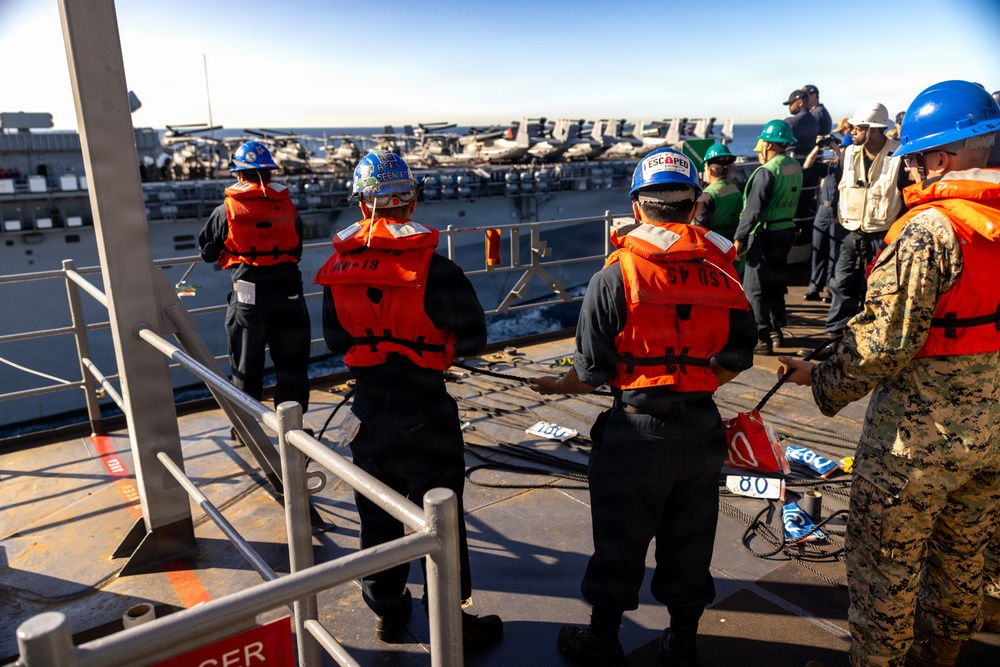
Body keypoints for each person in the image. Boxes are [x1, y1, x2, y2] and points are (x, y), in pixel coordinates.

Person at [778, 80, 1000, 667]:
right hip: (993, 431)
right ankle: (942, 651)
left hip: (917, 443)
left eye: (917, 159)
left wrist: (820, 379)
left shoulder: (931, 232)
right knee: (965, 551)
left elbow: (881, 346)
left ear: (939, 159)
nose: (911, 171)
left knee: (886, 562)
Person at [528, 147, 756, 667]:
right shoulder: (725, 272)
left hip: (634, 434)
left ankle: (603, 641)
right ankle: (683, 643)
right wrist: (699, 384)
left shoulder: (615, 277)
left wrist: (554, 386)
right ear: (694, 206)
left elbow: (590, 373)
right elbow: (740, 354)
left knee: (619, 541)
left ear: (637, 207)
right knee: (691, 541)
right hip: (701, 429)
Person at [314, 150, 503, 648]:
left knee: (377, 517)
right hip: (426, 411)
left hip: (368, 411)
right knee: (441, 519)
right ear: (411, 201)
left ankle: (386, 612)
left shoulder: (336, 269)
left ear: (362, 205)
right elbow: (474, 339)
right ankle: (451, 620)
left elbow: (335, 341)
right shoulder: (439, 271)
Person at [198, 140, 311, 418]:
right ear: (270, 173)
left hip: (248, 296)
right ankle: (293, 428)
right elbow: (296, 250)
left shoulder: (226, 210)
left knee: (246, 367)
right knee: (292, 366)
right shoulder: (288, 207)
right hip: (289, 294)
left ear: (239, 174)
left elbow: (207, 252)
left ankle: (246, 428)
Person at [818, 102, 910, 360]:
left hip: (883, 232)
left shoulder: (898, 156)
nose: (852, 131)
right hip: (850, 230)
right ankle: (836, 338)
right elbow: (838, 188)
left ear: (876, 130)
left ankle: (874, 340)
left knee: (879, 286)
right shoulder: (848, 154)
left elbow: (905, 197)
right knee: (841, 282)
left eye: (858, 128)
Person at [733, 120, 803, 355]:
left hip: (765, 233)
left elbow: (753, 210)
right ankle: (776, 332)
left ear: (769, 144)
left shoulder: (767, 171)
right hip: (786, 231)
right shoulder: (795, 166)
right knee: (775, 284)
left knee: (755, 288)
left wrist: (739, 237)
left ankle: (761, 338)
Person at [802, 133, 850, 303]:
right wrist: (819, 146)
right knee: (817, 251)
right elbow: (807, 164)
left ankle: (831, 290)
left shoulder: (848, 168)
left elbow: (846, 162)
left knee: (834, 253)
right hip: (822, 210)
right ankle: (814, 288)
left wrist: (836, 148)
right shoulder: (828, 167)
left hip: (838, 211)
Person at [694, 142, 743, 272]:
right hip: (732, 254)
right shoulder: (735, 188)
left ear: (710, 169)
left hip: (714, 259)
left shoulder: (707, 195)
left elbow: (699, 232)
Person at [782, 88, 819, 160]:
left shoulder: (790, 122)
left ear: (800, 102)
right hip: (809, 162)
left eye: (791, 104)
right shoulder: (815, 121)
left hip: (790, 161)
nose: (789, 107)